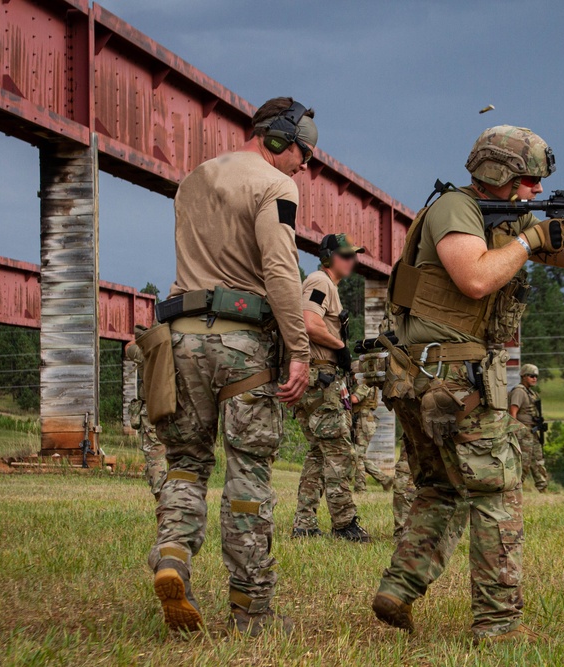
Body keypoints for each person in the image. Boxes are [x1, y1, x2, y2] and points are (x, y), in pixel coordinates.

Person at [372, 125, 564, 643]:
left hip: (428, 374)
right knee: (498, 492)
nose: (535, 191)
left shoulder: (507, 216)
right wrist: (532, 238)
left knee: (444, 488)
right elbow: (477, 278)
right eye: (529, 179)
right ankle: (498, 625)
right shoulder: (456, 209)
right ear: (499, 172)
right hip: (449, 375)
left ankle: (399, 589)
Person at [147, 97, 314, 636]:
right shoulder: (275, 185)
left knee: (185, 463)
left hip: (178, 339)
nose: (305, 165)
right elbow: (281, 269)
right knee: (249, 475)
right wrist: (300, 349)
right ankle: (251, 612)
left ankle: (172, 554)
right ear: (275, 140)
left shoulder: (192, 179)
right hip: (242, 346)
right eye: (303, 152)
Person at [292, 233, 372, 542]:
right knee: (340, 452)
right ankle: (344, 524)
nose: (351, 260)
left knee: (318, 454)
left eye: (353, 255)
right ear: (329, 257)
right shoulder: (320, 281)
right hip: (319, 380)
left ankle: (304, 523)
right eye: (345, 255)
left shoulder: (326, 286)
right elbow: (309, 323)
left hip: (319, 379)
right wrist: (340, 346)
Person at [126, 342, 166, 500]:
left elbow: (128, 347)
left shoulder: (149, 354)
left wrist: (145, 339)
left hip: (152, 411)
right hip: (180, 411)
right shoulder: (183, 354)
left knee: (155, 455)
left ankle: (161, 495)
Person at [349, 362, 393, 492]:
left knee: (357, 455)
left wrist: (340, 394)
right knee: (360, 455)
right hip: (362, 421)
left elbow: (355, 399)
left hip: (364, 422)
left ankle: (360, 487)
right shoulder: (363, 383)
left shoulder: (364, 384)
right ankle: (384, 479)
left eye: (352, 374)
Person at [507, 363, 549, 493]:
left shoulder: (531, 393)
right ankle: (515, 491)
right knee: (522, 463)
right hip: (523, 433)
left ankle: (543, 488)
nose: (534, 378)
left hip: (532, 432)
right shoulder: (519, 392)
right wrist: (515, 431)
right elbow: (512, 412)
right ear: (524, 376)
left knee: (537, 461)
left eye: (536, 376)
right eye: (531, 376)